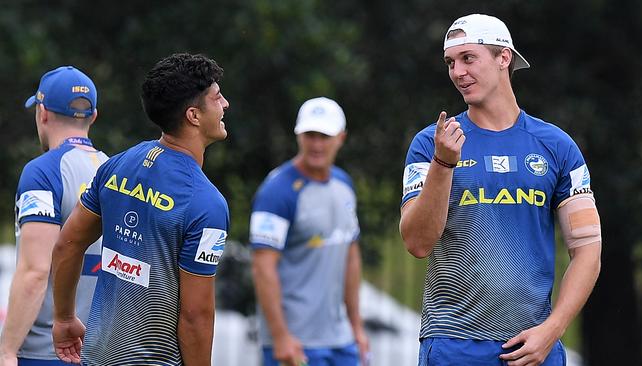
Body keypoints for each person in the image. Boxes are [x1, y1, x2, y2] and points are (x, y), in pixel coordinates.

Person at [399, 14, 602, 366]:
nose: (457, 72)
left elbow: (587, 249)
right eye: (450, 62)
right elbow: (417, 243)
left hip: (532, 347)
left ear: (503, 58)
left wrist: (552, 330)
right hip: (453, 343)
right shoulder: (430, 144)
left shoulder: (556, 145)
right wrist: (443, 164)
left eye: (468, 58)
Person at [50, 53, 230, 366]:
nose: (225, 104)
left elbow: (68, 243)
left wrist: (64, 319)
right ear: (194, 116)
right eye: (216, 98)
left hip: (97, 358)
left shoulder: (118, 165)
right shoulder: (207, 204)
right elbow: (195, 317)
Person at [0, 66, 108, 366]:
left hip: (43, 353)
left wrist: (7, 350)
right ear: (93, 117)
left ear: (43, 113)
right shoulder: (114, 171)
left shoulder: (42, 172)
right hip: (98, 351)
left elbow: (35, 271)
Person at [250, 97, 369, 366]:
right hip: (296, 345)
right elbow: (262, 268)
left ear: (341, 137)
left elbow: (351, 256)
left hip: (341, 342)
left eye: (324, 136)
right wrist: (280, 337)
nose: (316, 144)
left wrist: (357, 328)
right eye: (310, 135)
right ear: (298, 135)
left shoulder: (344, 184)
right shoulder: (276, 191)